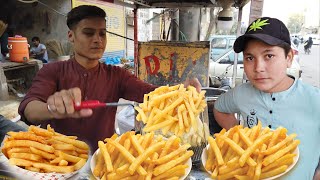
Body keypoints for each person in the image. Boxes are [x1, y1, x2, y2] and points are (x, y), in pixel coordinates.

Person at [18, 5, 201, 152]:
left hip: (104, 158)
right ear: (71, 36)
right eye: (89, 33)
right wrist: (52, 108)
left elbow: (149, 94)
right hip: (59, 161)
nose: (98, 40)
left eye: (102, 33)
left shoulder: (116, 74)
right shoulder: (53, 71)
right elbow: (28, 109)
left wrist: (180, 90)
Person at [213, 17, 320, 179]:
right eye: (250, 58)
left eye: (269, 56)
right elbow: (219, 109)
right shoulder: (240, 93)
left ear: (289, 58)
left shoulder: (314, 99)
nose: (258, 68)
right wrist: (237, 135)